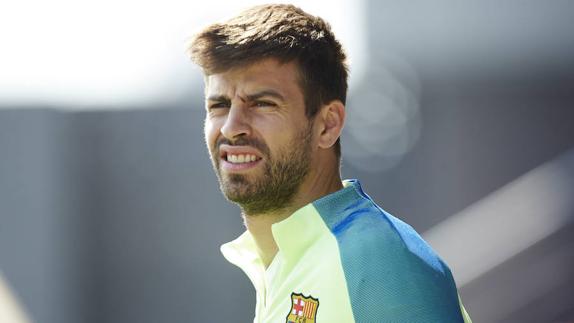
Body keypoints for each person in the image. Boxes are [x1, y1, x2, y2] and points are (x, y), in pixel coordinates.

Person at [188, 4, 471, 322]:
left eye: (263, 103)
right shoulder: (283, 263)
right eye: (219, 105)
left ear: (328, 125)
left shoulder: (378, 262)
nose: (231, 127)